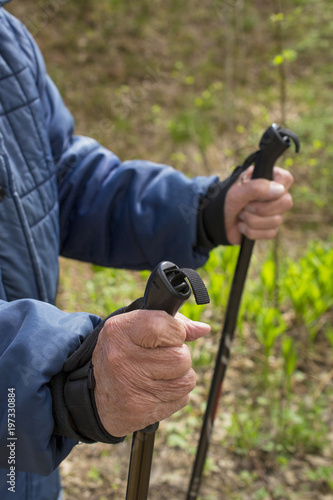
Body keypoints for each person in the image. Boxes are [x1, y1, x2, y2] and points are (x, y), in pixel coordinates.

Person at [0, 2, 294, 499]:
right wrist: (61, 382)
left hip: (20, 459)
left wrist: (199, 210)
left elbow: (58, 179)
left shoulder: (7, 42)